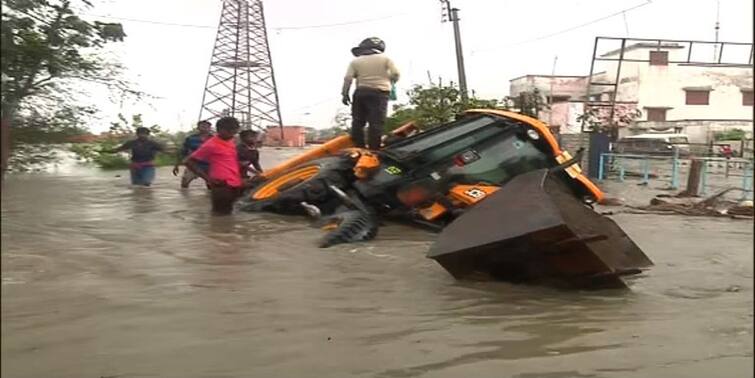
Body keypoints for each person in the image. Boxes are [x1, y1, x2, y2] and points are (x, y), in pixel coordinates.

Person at [341, 37, 400, 150]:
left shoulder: (355, 61)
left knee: (358, 122)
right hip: (380, 93)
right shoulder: (386, 59)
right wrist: (390, 81)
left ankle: (359, 147)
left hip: (361, 92)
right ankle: (374, 149)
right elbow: (396, 74)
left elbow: (348, 78)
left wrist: (345, 94)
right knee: (376, 122)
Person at [184, 117, 246, 215]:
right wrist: (208, 179)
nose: (232, 134)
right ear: (219, 130)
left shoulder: (231, 142)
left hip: (235, 183)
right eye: (229, 131)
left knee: (230, 215)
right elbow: (189, 161)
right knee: (220, 215)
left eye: (234, 131)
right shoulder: (211, 144)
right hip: (221, 185)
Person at [173, 120, 213, 188]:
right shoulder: (191, 138)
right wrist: (176, 165)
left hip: (209, 166)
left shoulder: (214, 139)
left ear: (210, 128)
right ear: (198, 128)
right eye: (202, 126)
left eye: (207, 126)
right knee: (184, 185)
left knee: (211, 186)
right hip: (193, 165)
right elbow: (182, 152)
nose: (204, 127)